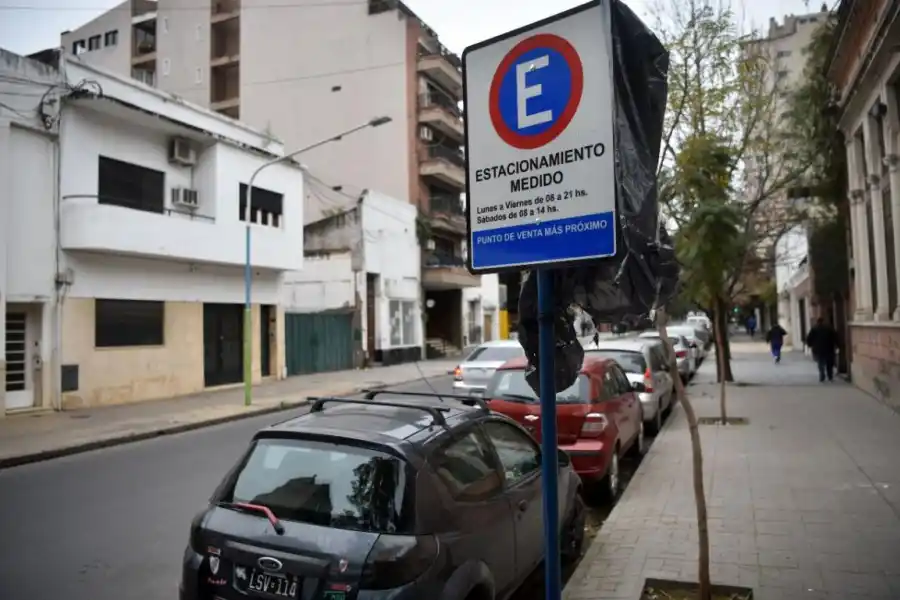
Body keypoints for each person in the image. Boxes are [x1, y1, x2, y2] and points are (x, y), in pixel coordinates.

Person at [806, 317, 839, 382]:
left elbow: (809, 338)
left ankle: (822, 375)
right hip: (829, 348)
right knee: (829, 363)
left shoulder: (814, 329)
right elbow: (835, 337)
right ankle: (830, 376)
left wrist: (810, 345)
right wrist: (837, 345)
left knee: (820, 363)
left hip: (818, 349)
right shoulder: (829, 328)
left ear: (817, 322)